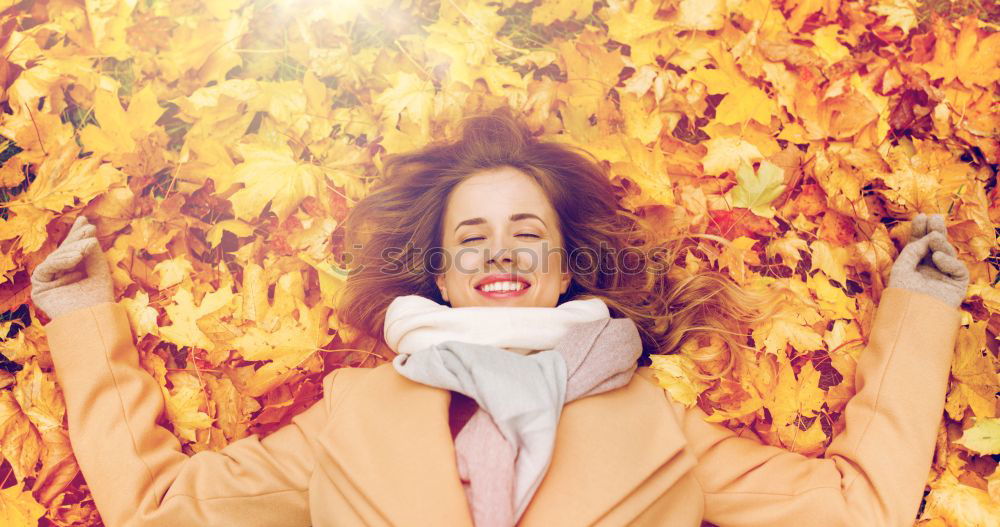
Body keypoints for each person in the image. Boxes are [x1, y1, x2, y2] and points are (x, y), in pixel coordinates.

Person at [30, 109, 969, 527]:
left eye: (528, 230)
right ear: (440, 273)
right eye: (471, 236)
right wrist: (80, 311)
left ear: (566, 266)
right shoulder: (350, 419)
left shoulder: (655, 428)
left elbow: (860, 507)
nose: (502, 251)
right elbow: (157, 509)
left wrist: (920, 308)